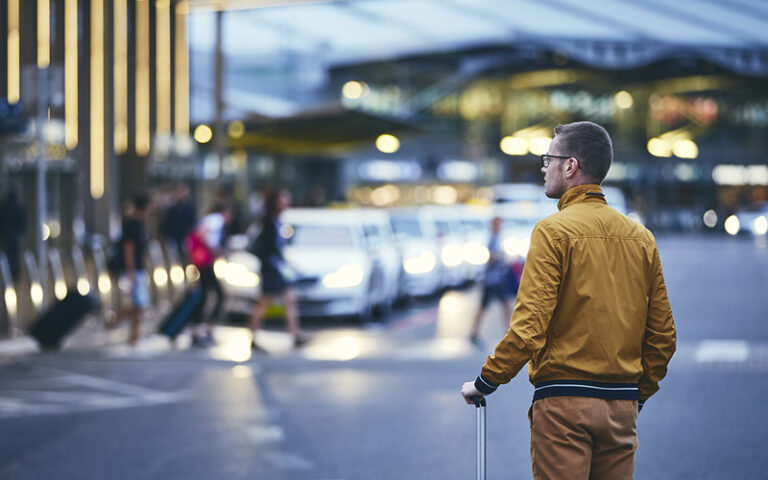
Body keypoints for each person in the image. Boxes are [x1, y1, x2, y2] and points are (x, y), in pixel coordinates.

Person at [461, 121, 676, 480]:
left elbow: (529, 328)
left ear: (570, 166)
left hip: (563, 406)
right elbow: (663, 338)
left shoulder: (553, 231)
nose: (543, 167)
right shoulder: (641, 238)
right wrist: (634, 397)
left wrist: (486, 381)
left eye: (549, 158)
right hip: (621, 406)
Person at [248, 189, 309, 352]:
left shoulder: (277, 222)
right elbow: (269, 249)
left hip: (275, 270)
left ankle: (295, 334)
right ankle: (253, 337)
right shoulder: (269, 223)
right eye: (283, 199)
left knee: (289, 299)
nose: (286, 202)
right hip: (271, 271)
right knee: (263, 303)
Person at [187, 203, 230, 347]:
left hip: (204, 263)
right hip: (204, 263)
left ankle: (199, 331)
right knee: (213, 295)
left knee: (205, 295)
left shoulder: (210, 218)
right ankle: (202, 331)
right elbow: (203, 235)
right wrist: (216, 250)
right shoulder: (217, 219)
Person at [468, 216, 514, 347]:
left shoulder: (496, 238)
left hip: (497, 280)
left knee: (504, 306)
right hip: (493, 280)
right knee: (494, 307)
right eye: (498, 225)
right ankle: (474, 334)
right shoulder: (492, 240)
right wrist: (500, 258)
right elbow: (491, 257)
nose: (500, 227)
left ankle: (507, 333)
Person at [114, 194, 152, 346]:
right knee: (139, 304)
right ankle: (114, 320)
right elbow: (128, 248)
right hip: (133, 269)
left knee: (139, 304)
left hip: (138, 268)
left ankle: (134, 335)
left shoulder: (140, 224)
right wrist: (131, 271)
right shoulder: (133, 224)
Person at [0, 186, 27, 281]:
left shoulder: (4, 206)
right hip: (15, 235)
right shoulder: (19, 206)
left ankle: (9, 274)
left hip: (7, 236)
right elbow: (23, 221)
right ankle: (15, 274)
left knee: (8, 255)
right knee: (15, 255)